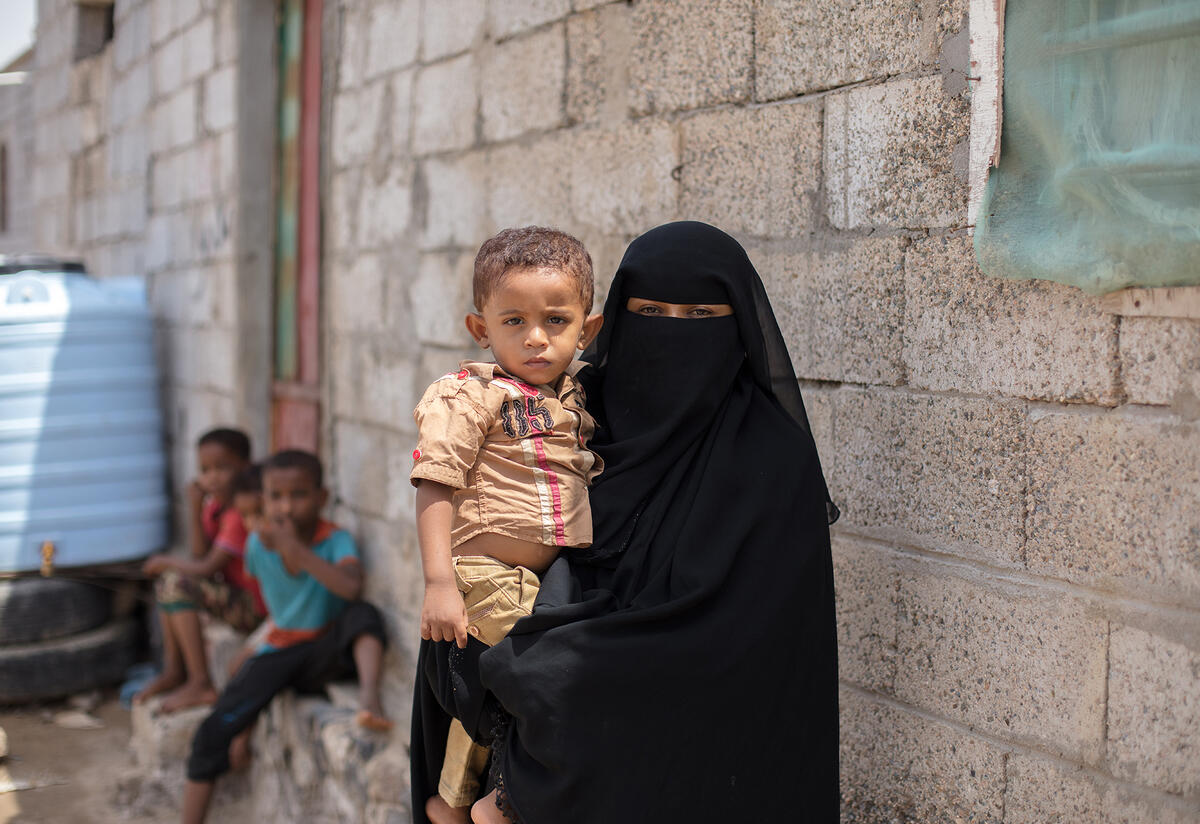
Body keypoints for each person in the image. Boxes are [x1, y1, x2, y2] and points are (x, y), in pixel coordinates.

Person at [410, 221, 841, 824]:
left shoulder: (769, 454)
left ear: (737, 325)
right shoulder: (577, 409)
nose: (672, 330)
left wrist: (586, 650)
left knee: (555, 678)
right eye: (652, 312)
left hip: (691, 684)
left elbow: (758, 632)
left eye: (700, 315)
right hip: (531, 625)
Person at [410, 226, 604, 824]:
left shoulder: (576, 398)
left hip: (540, 584)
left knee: (496, 687)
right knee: (539, 676)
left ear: (587, 330)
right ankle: (503, 803)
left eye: (556, 320)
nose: (536, 338)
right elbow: (435, 480)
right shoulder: (470, 395)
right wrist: (439, 583)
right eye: (514, 321)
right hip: (485, 576)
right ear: (481, 329)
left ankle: (452, 803)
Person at [181, 449, 391, 824]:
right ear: (263, 499)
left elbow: (350, 587)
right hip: (280, 650)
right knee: (214, 730)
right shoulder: (257, 546)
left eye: (299, 495)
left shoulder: (335, 539)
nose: (286, 507)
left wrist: (296, 549)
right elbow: (278, 611)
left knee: (364, 615)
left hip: (325, 650)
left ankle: (370, 699)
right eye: (276, 497)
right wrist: (253, 650)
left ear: (321, 497)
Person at [136, 428, 266, 711]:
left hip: (255, 607)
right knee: (168, 582)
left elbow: (206, 568)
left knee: (176, 583)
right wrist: (195, 508)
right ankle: (174, 670)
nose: (212, 478)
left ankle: (201, 682)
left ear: (245, 466)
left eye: (222, 468)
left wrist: (165, 561)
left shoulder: (240, 516)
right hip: (234, 595)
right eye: (205, 470)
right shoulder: (216, 507)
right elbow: (199, 553)